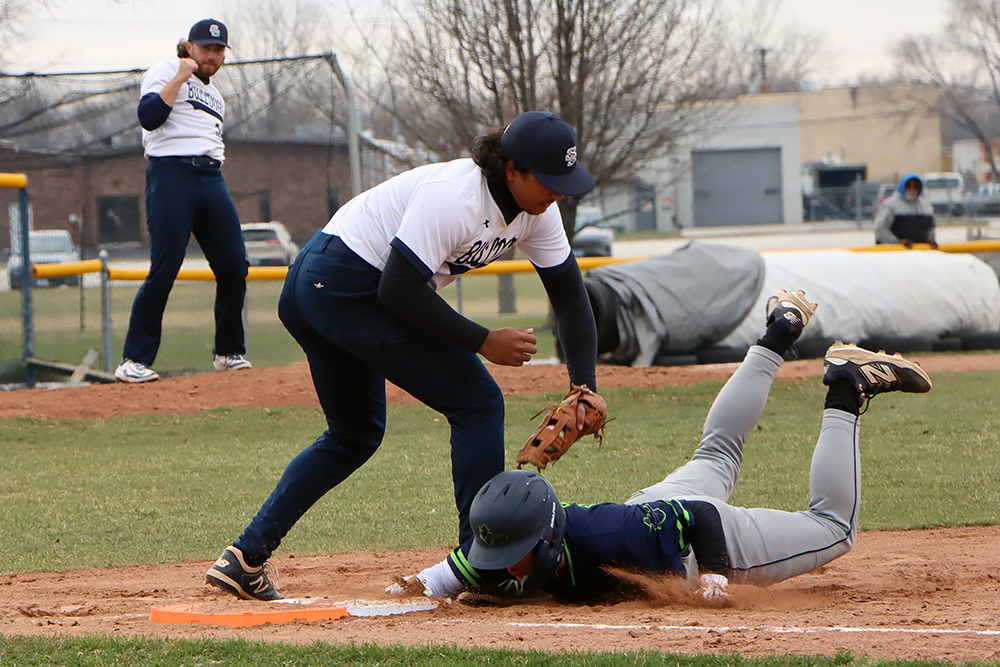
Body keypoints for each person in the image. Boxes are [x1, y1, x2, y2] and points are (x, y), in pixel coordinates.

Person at [205, 111, 602, 601]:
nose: (558, 192)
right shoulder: (457, 196)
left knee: (354, 434)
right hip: (346, 282)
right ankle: (482, 564)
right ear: (512, 170)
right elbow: (397, 289)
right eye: (549, 179)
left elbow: (570, 295)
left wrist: (584, 385)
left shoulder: (539, 212)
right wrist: (482, 340)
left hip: (326, 283)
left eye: (565, 181)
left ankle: (245, 557)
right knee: (476, 401)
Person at [389, 290, 933, 604]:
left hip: (698, 538)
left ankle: (846, 388)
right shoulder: (509, 539)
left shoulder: (606, 536)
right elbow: (453, 572)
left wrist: (716, 571)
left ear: (547, 539)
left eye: (512, 558)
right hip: (654, 512)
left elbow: (700, 516)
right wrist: (414, 587)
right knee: (717, 453)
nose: (504, 569)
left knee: (834, 528)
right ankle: (779, 331)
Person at [115, 18, 251, 383]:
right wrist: (180, 75)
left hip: (211, 177)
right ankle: (133, 360)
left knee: (234, 265)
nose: (212, 56)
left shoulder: (217, 96)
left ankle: (228, 352)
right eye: (206, 48)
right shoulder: (164, 71)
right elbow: (149, 118)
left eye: (219, 50)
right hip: (171, 174)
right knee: (166, 267)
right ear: (188, 47)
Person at [874, 173, 938, 249]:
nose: (912, 189)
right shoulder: (890, 205)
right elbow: (880, 230)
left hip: (920, 252)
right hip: (895, 252)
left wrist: (930, 238)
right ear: (902, 186)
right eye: (908, 186)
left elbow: (931, 226)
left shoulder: (925, 205)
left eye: (915, 186)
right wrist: (898, 243)